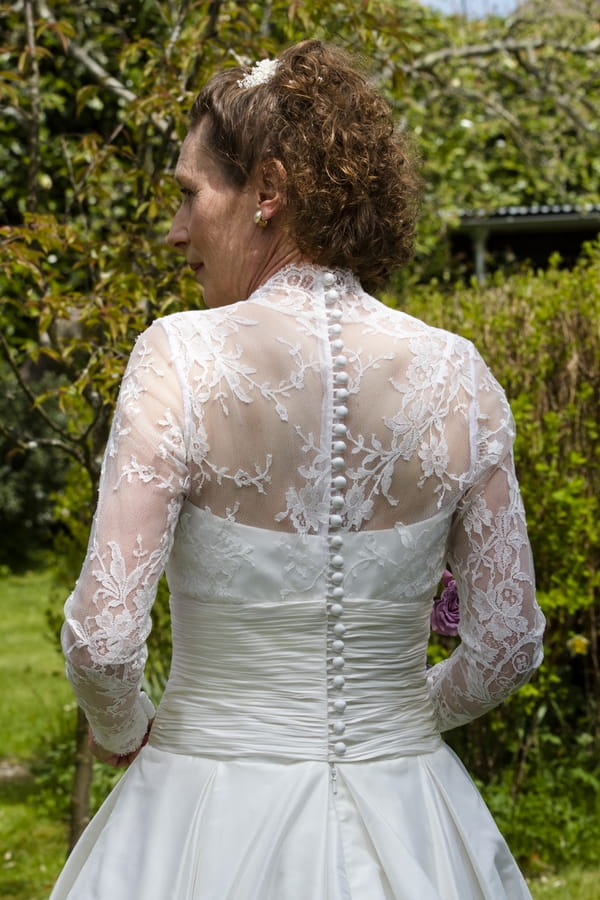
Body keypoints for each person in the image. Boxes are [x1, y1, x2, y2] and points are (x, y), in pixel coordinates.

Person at [50, 39, 545, 900]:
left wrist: (127, 729)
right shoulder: (456, 374)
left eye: (188, 194)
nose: (175, 231)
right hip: (410, 814)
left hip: (203, 810)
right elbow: (506, 644)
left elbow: (102, 642)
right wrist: (398, 718)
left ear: (268, 190)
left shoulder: (179, 357)